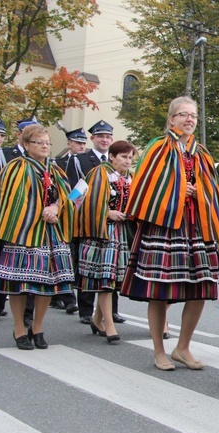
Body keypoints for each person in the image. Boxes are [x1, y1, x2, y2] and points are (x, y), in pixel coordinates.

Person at [121, 96, 219, 371]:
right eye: (183, 114)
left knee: (201, 288)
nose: (189, 119)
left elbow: (212, 189)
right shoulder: (158, 147)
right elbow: (146, 186)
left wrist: (199, 192)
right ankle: (158, 350)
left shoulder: (201, 152)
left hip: (195, 226)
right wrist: (180, 191)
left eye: (193, 115)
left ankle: (183, 347)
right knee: (159, 291)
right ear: (171, 119)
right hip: (165, 226)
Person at [0, 124, 74, 349]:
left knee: (48, 283)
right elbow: (13, 202)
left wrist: (56, 209)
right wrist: (41, 212)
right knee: (20, 283)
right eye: (39, 142)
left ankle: (37, 326)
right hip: (24, 234)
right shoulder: (16, 167)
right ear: (26, 144)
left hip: (51, 233)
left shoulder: (55, 170)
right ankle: (18, 328)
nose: (45, 146)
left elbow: (66, 197)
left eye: (47, 142)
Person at [75, 140, 137, 344]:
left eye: (130, 157)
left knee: (113, 279)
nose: (127, 161)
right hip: (103, 233)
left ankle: (97, 319)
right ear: (112, 156)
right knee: (106, 280)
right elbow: (85, 201)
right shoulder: (99, 173)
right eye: (123, 157)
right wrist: (107, 213)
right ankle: (109, 326)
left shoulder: (131, 177)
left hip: (122, 234)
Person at [67, 120, 125, 325]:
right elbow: (75, 192)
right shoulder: (79, 160)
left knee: (111, 268)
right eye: (101, 136)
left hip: (114, 226)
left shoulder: (119, 164)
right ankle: (85, 309)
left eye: (108, 137)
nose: (104, 140)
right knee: (89, 266)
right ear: (93, 139)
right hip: (89, 220)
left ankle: (112, 311)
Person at [0, 116, 39, 325]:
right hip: (8, 219)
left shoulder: (43, 161)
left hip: (32, 222)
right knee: (2, 264)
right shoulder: (3, 155)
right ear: (21, 136)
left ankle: (27, 313)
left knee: (31, 267)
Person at [51, 127, 89, 315]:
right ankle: (63, 296)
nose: (81, 146)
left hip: (81, 216)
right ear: (69, 144)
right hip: (63, 213)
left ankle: (68, 295)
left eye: (83, 143)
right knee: (64, 254)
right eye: (78, 143)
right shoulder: (58, 163)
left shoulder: (87, 162)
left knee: (76, 256)